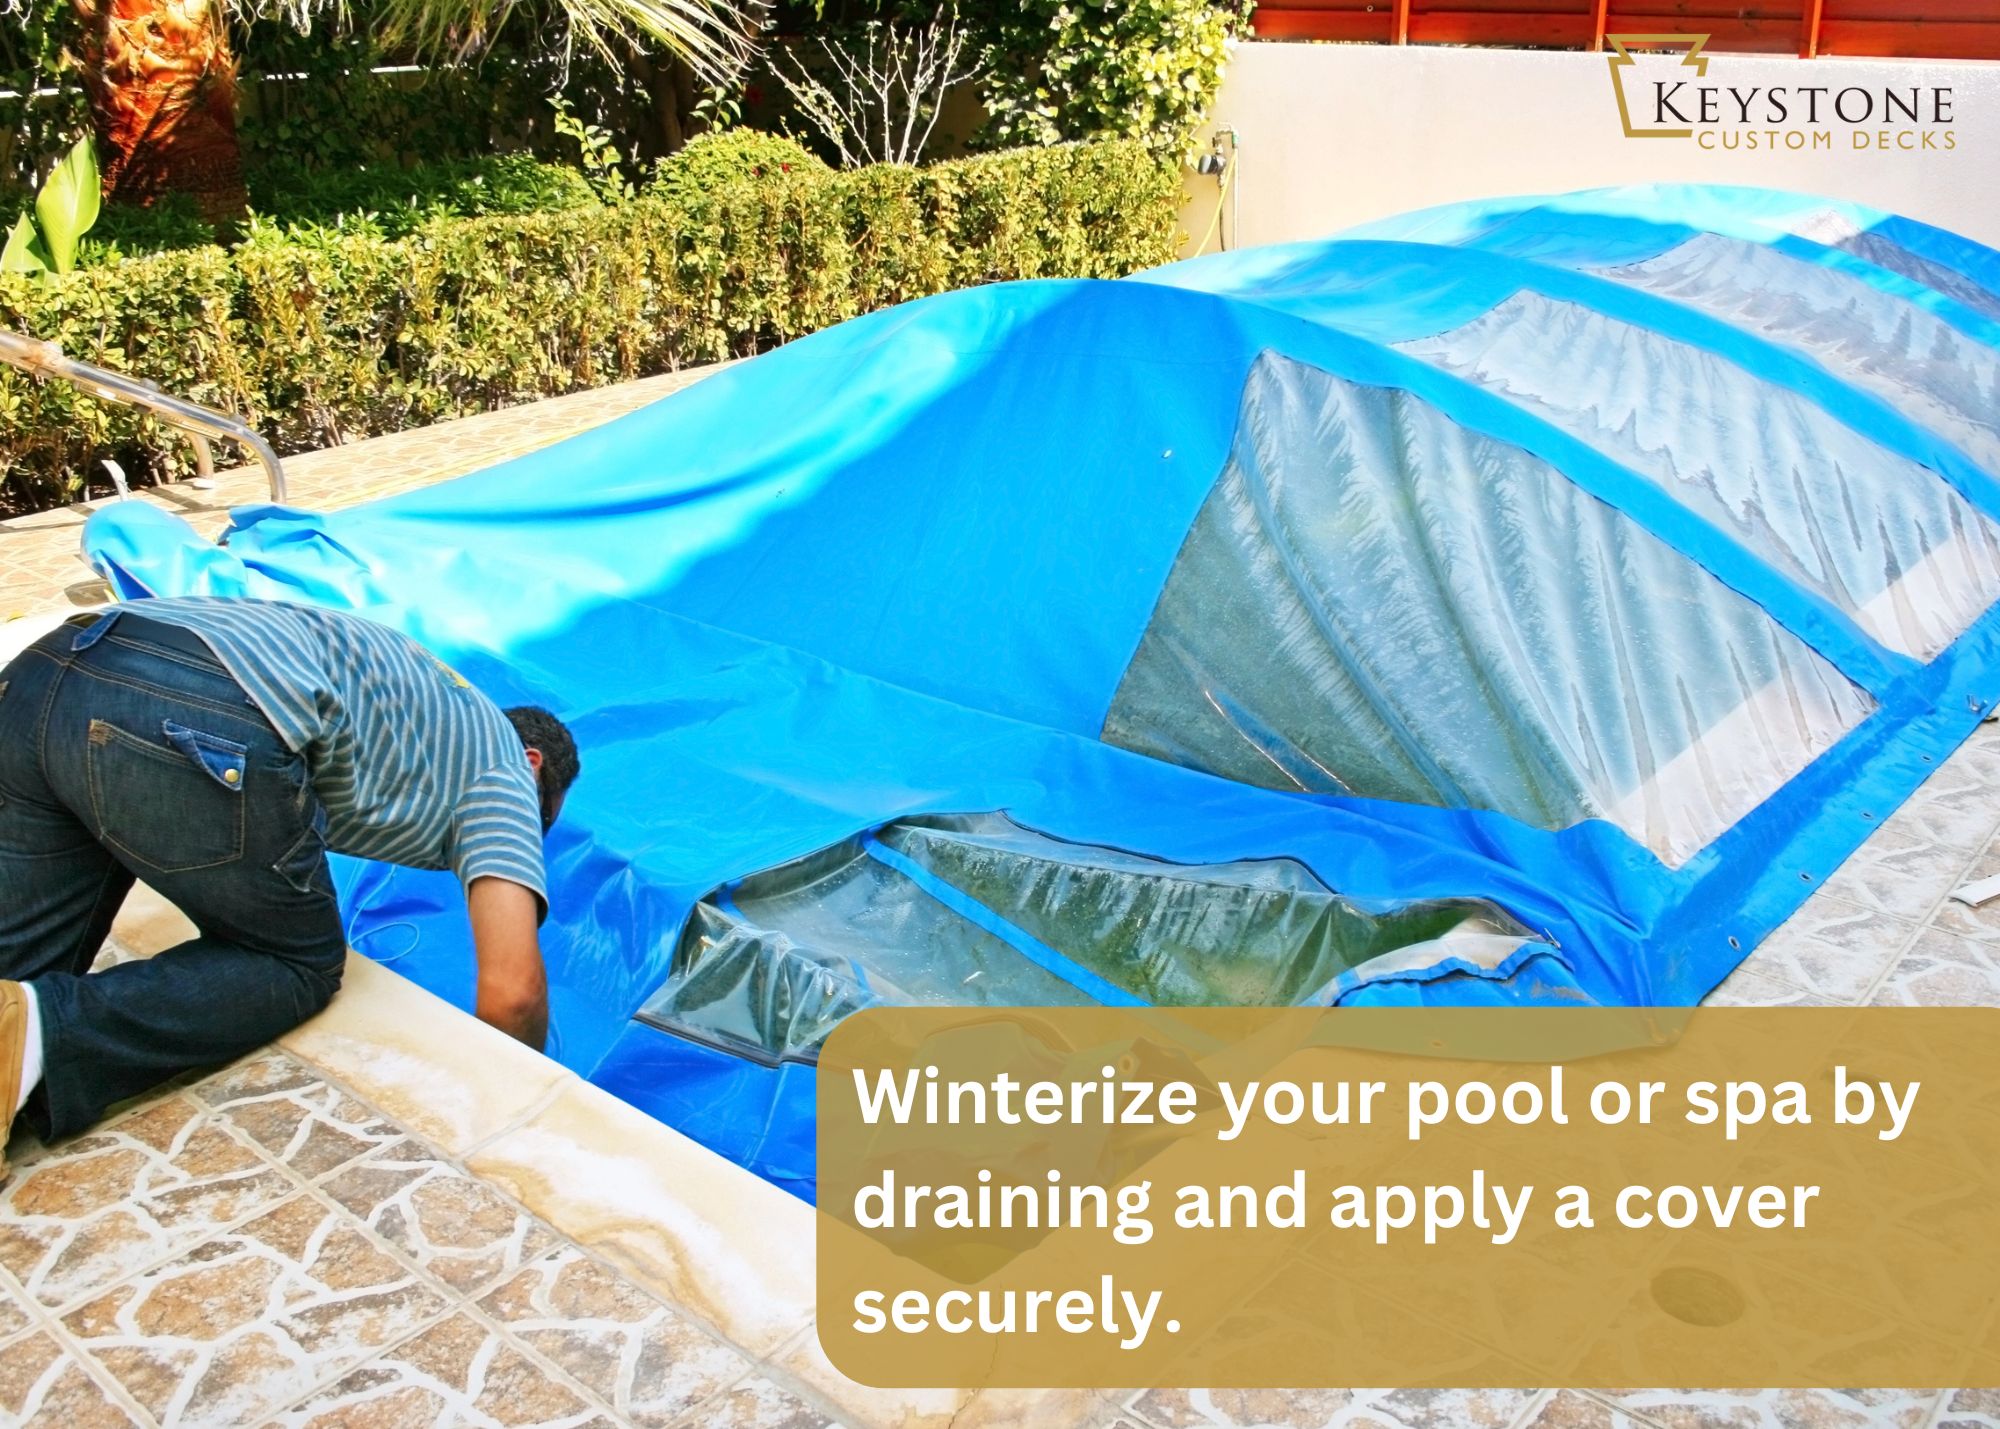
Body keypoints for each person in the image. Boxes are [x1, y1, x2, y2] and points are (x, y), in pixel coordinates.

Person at [0, 597, 580, 1177]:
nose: (534, 837)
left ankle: (15, 1030)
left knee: (16, 965)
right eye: (544, 819)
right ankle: (30, 1031)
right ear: (535, 765)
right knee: (296, 961)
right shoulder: (504, 769)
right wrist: (518, 1106)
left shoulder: (435, 709)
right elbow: (513, 992)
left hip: (54, 665)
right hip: (194, 697)